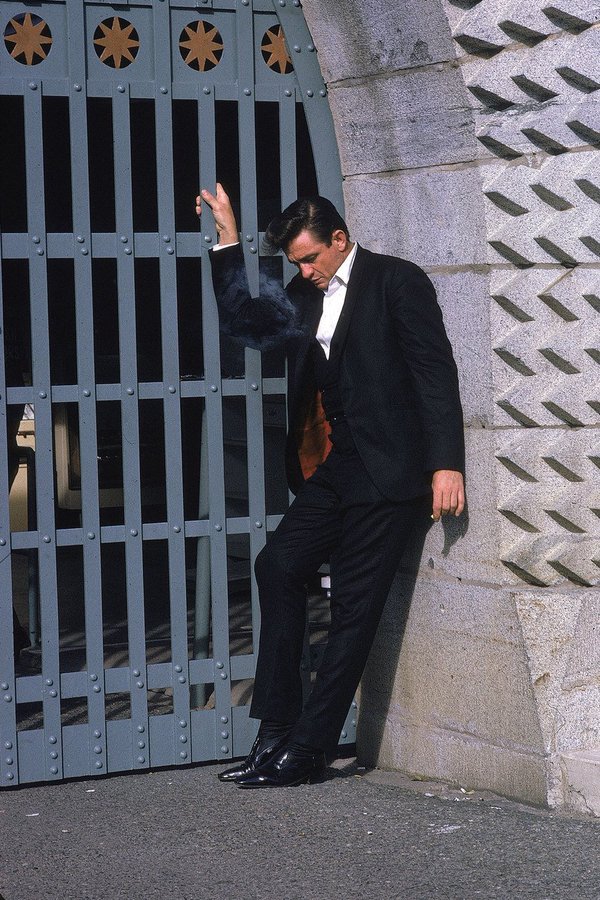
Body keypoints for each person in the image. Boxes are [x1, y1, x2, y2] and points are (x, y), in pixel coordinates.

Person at [196, 185, 465, 788]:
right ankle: (276, 730)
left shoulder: (398, 281)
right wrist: (227, 240)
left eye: (311, 258)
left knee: (353, 608)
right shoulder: (307, 293)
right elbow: (252, 325)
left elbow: (434, 370)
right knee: (277, 564)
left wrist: (446, 463)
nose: (305, 270)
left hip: (394, 474)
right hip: (341, 466)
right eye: (296, 261)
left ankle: (312, 747)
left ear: (340, 240)